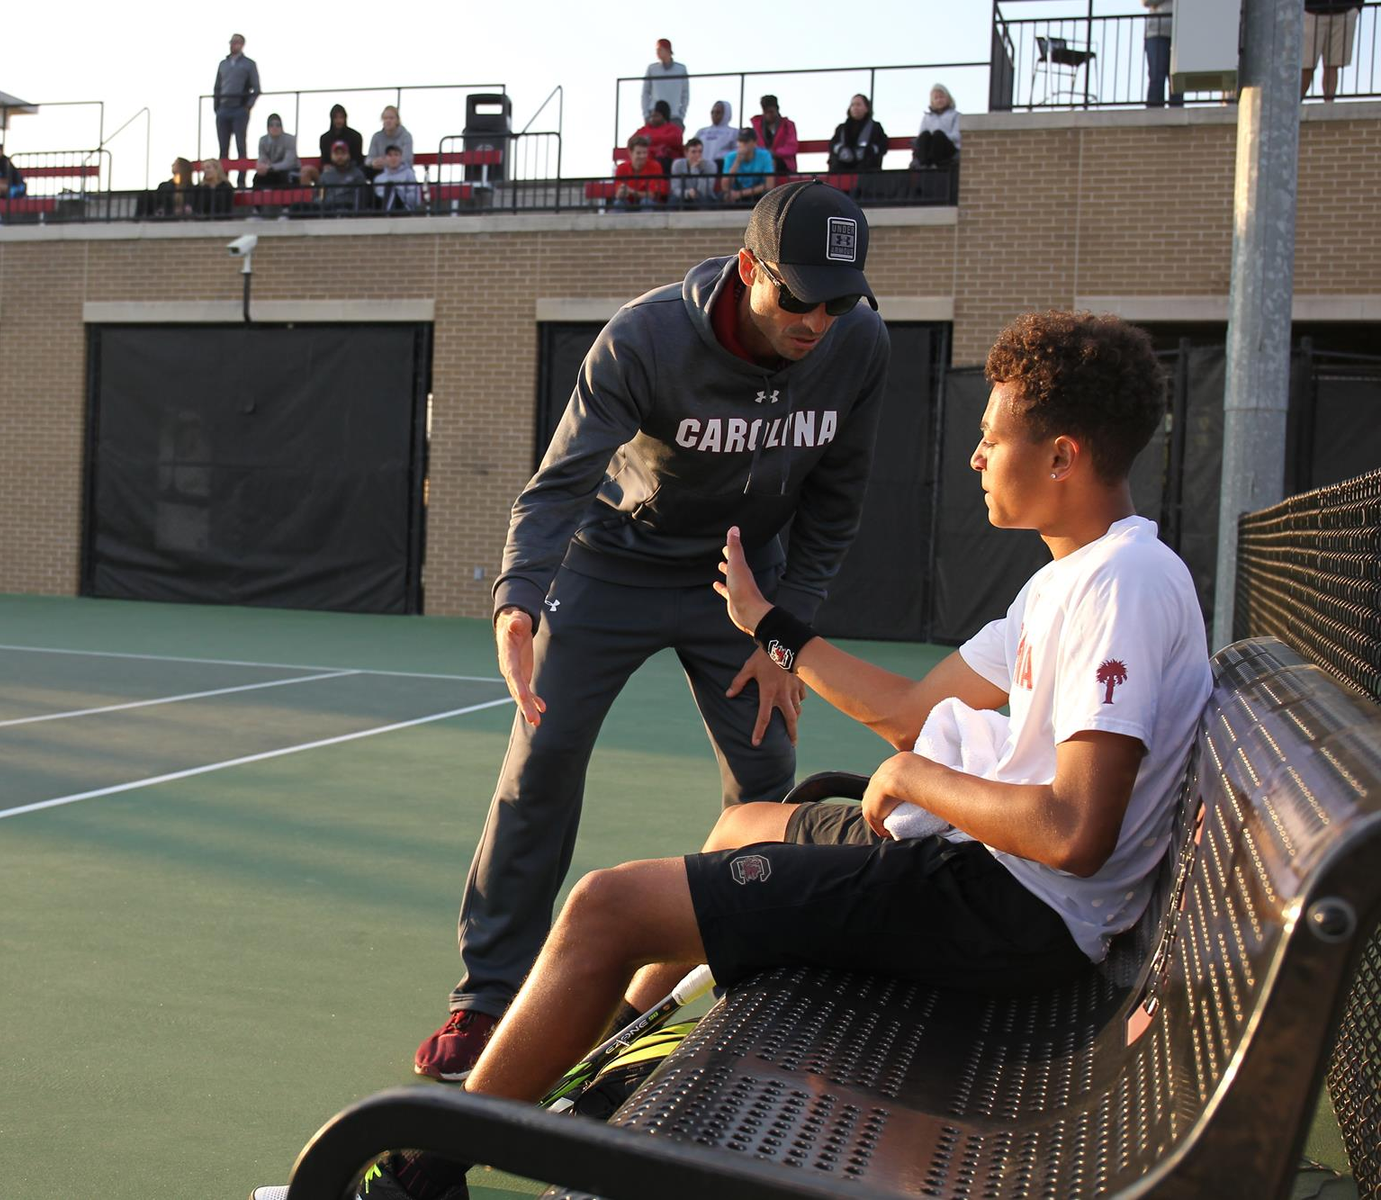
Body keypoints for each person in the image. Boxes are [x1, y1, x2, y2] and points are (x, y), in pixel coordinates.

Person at [259, 310, 1209, 1200]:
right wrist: (771, 629)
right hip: (989, 880)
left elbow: (1076, 831)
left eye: (993, 440)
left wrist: (924, 782)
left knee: (604, 908)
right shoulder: (1071, 580)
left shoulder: (1120, 584)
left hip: (1011, 911)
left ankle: (420, 1181)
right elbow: (911, 714)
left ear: (1062, 455)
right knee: (741, 824)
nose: (976, 456)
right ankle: (606, 1085)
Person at [410, 181, 891, 1083]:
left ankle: (747, 992)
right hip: (614, 564)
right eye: (799, 296)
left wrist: (785, 631)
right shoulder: (646, 338)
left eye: (839, 299)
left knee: (767, 778)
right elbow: (560, 481)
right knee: (540, 759)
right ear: (751, 271)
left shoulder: (859, 345)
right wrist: (518, 599)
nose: (818, 319)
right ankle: (486, 998)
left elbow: (838, 500)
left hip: (744, 580)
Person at [214, 34, 261, 181]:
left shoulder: (249, 64)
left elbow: (256, 88)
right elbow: (217, 86)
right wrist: (216, 106)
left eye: (236, 42)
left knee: (241, 145)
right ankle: (223, 180)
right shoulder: (223, 64)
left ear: (242, 44)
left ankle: (241, 180)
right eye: (232, 42)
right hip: (223, 109)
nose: (233, 45)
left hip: (239, 109)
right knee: (223, 148)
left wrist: (247, 106)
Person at [1303, 0, 1363, 102]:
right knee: (1306, 66)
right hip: (1311, 12)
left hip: (1344, 10)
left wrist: (1356, 8)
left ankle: (1328, 106)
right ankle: (1295, 107)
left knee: (1332, 65)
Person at [301, 104, 364, 186]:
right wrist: (327, 166)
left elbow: (359, 159)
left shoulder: (356, 136)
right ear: (331, 119)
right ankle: (314, 197)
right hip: (329, 172)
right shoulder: (324, 138)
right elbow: (324, 160)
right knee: (306, 171)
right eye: (336, 118)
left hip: (350, 170)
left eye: (341, 117)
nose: (339, 121)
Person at [828, 94, 888, 172]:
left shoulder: (875, 127)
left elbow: (883, 144)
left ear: (866, 108)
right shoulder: (841, 128)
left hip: (867, 171)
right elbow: (833, 145)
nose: (855, 108)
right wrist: (840, 150)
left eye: (858, 105)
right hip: (842, 169)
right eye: (852, 105)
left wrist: (870, 150)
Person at [1143, 1, 1184, 108]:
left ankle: (1176, 114)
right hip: (1156, 32)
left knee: (1177, 79)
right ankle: (1153, 115)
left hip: (1179, 32)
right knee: (1156, 77)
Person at [611, 134, 668, 210]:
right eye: (638, 153)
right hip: (628, 203)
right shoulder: (621, 168)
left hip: (650, 204)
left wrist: (631, 192)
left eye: (645, 153)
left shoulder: (655, 166)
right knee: (618, 203)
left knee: (646, 202)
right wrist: (621, 193)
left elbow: (652, 195)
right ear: (630, 153)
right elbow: (617, 193)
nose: (642, 156)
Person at [719, 128, 775, 205]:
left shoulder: (765, 155)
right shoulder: (730, 157)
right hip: (735, 195)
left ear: (755, 143)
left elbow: (769, 185)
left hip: (756, 195)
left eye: (746, 141)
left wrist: (740, 194)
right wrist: (737, 162)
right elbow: (725, 187)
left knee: (768, 195)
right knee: (723, 196)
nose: (742, 144)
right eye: (740, 141)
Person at [641, 37, 689, 128]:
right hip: (654, 115)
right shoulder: (652, 69)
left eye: (660, 49)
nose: (657, 52)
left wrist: (681, 115)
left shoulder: (681, 69)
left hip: (674, 116)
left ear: (667, 50)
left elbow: (685, 94)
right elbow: (645, 93)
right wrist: (646, 115)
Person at [911, 84, 961, 169]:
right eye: (936, 98)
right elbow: (921, 136)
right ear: (932, 101)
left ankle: (935, 163)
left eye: (941, 97)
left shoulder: (956, 115)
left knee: (938, 135)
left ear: (948, 98)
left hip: (948, 149)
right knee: (925, 135)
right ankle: (924, 164)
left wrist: (939, 136)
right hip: (929, 148)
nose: (939, 100)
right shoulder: (927, 117)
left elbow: (957, 135)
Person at [751, 94, 799, 174]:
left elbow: (792, 146)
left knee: (771, 164)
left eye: (771, 112)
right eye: (766, 112)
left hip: (783, 162)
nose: (769, 115)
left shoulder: (788, 125)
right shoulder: (757, 125)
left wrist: (774, 153)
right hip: (761, 161)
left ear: (777, 109)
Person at [314, 140, 368, 212]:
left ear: (348, 155)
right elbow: (319, 197)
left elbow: (362, 198)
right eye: (336, 154)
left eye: (343, 153)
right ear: (331, 156)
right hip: (328, 211)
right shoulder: (325, 176)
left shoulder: (357, 174)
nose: (340, 157)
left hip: (350, 210)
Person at [631, 100, 685, 167]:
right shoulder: (644, 129)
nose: (652, 119)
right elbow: (632, 141)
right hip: (644, 163)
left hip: (665, 163)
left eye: (656, 116)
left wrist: (652, 139)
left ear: (664, 117)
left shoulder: (673, 129)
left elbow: (676, 140)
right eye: (652, 116)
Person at [366, 105, 414, 179]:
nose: (388, 121)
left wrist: (388, 162)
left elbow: (407, 160)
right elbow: (368, 159)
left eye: (391, 118)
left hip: (401, 172)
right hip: (381, 172)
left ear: (397, 120)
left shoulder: (406, 136)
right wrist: (373, 162)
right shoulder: (376, 136)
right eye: (385, 118)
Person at [668, 136, 718, 207]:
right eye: (693, 152)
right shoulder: (678, 164)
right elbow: (675, 188)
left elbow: (704, 191)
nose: (697, 155)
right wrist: (688, 193)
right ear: (686, 153)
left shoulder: (711, 166)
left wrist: (695, 169)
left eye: (700, 152)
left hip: (704, 198)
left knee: (702, 199)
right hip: (685, 196)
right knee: (674, 200)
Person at [372, 144, 422, 212]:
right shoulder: (379, 178)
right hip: (383, 211)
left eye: (396, 155)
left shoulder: (409, 174)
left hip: (404, 210)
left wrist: (399, 193)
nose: (393, 158)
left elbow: (416, 198)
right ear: (385, 158)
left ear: (401, 157)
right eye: (390, 155)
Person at [253, 114, 300, 186]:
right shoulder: (263, 140)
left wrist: (271, 167)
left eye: (278, 125)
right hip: (271, 171)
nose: (275, 127)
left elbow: (288, 162)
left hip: (290, 170)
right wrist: (261, 166)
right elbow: (262, 157)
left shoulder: (290, 139)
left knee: (285, 176)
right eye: (271, 125)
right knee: (258, 178)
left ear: (282, 127)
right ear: (267, 127)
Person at [694, 99, 738, 164]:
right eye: (712, 112)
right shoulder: (701, 132)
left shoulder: (734, 132)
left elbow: (737, 152)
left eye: (718, 112)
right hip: (701, 168)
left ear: (726, 113)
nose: (714, 115)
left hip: (722, 168)